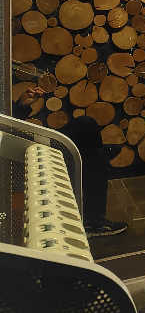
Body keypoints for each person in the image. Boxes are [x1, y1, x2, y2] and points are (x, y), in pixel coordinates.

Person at [15, 86, 128, 237]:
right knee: (96, 158)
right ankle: (94, 222)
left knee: (85, 124)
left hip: (17, 133)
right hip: (18, 144)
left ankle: (95, 157)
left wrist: (21, 106)